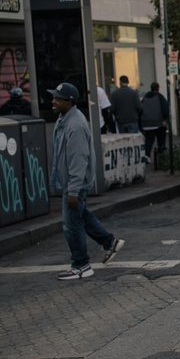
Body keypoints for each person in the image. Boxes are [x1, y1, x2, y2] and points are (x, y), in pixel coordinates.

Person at [47, 82, 125, 280]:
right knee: (81, 216)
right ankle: (110, 242)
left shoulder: (75, 125)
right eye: (54, 97)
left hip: (75, 184)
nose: (53, 101)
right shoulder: (64, 119)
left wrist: (73, 190)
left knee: (71, 225)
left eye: (57, 98)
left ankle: (81, 265)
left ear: (69, 101)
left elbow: (78, 160)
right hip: (72, 183)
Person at [140, 82, 169, 163]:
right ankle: (161, 156)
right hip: (158, 123)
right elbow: (165, 108)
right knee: (161, 139)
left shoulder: (145, 97)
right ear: (158, 88)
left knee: (149, 140)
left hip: (146, 123)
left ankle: (147, 155)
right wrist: (165, 119)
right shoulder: (160, 97)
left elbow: (140, 109)